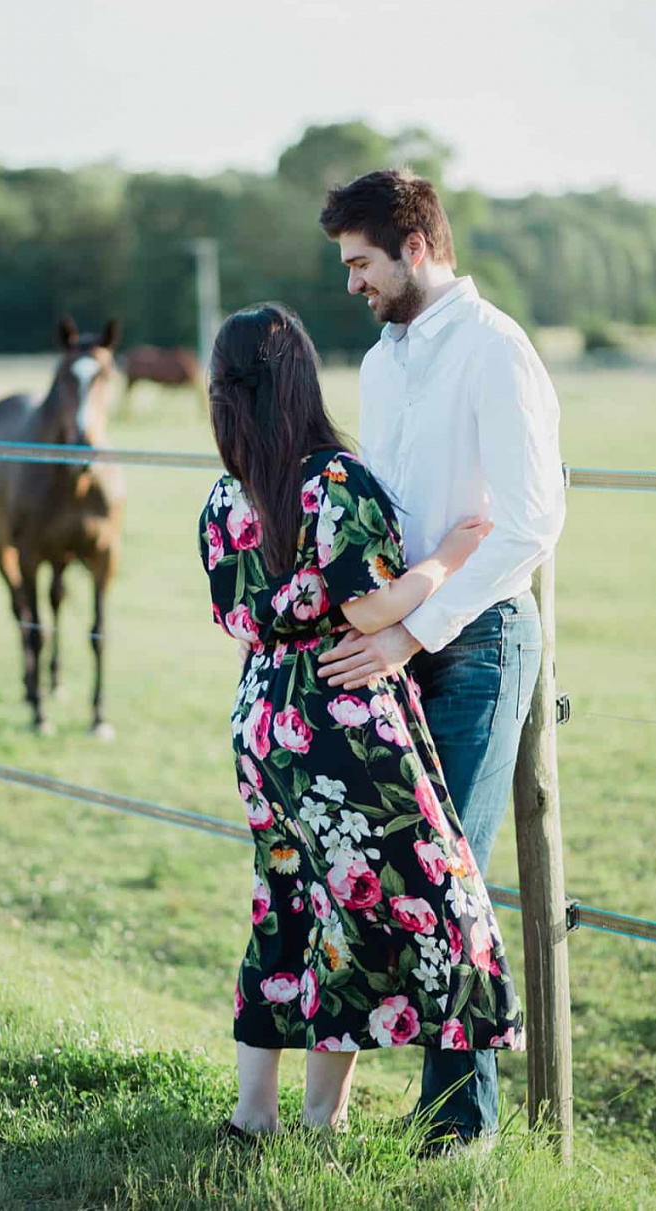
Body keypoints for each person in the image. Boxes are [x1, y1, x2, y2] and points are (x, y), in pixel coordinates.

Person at [198, 302, 526, 1143]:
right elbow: (370, 606)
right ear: (299, 381)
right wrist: (451, 555)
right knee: (387, 908)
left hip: (260, 717)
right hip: (338, 718)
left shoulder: (225, 496)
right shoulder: (333, 481)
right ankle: (323, 1119)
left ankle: (253, 1115)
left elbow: (236, 613)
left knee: (285, 903)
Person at [317, 170, 566, 1144]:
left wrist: (410, 632)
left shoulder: (496, 349)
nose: (352, 283)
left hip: (478, 640)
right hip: (397, 635)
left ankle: (460, 1129)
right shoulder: (383, 362)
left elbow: (530, 523)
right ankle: (415, 1113)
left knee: (449, 869)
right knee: (400, 868)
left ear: (415, 247)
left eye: (361, 262)